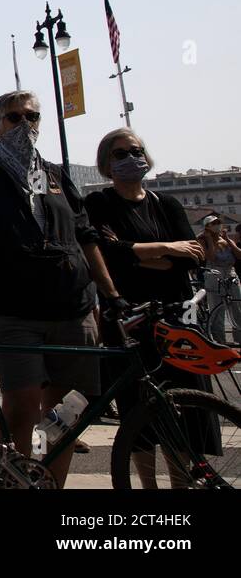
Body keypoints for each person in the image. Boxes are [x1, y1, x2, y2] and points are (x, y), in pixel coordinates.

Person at [0, 89, 124, 488]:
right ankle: (7, 482)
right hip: (11, 309)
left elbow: (86, 235)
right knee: (21, 409)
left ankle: (46, 484)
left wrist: (110, 294)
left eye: (32, 117)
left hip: (72, 307)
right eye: (14, 117)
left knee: (63, 414)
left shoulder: (57, 174)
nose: (24, 124)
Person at [84, 128, 217, 487]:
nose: (130, 158)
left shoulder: (166, 204)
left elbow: (193, 258)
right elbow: (105, 256)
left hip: (176, 317)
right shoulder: (99, 204)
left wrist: (139, 253)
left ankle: (180, 484)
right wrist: (169, 249)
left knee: (188, 410)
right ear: (106, 164)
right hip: (128, 316)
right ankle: (147, 485)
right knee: (138, 410)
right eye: (120, 153)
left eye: (135, 150)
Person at [200, 214, 241, 342]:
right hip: (214, 274)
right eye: (214, 223)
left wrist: (228, 240)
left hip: (230, 273)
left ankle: (239, 340)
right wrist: (211, 240)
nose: (218, 225)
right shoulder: (203, 240)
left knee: (237, 308)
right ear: (207, 227)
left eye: (219, 222)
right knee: (217, 310)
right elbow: (210, 257)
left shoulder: (226, 240)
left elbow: (239, 256)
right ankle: (220, 342)